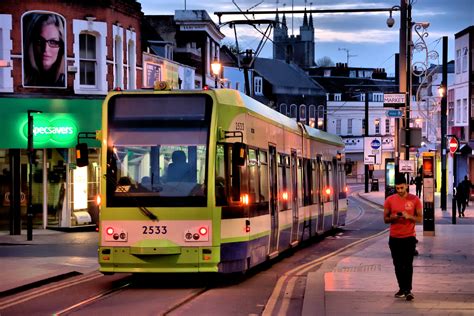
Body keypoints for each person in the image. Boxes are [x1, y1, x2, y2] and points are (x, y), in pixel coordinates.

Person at [384, 174, 422, 301]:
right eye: (397, 188)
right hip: (394, 238)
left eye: (401, 188)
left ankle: (408, 290)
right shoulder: (389, 200)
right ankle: (402, 288)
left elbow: (420, 219)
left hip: (409, 237)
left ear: (406, 185)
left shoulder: (415, 200)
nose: (399, 190)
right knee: (398, 264)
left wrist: (409, 216)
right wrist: (393, 217)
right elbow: (385, 219)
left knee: (408, 264)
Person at [23, 13, 65, 87]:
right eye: (39, 41)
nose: (45, 49)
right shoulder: (24, 78)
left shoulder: (64, 80)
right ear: (31, 45)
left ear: (61, 47)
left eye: (53, 42)